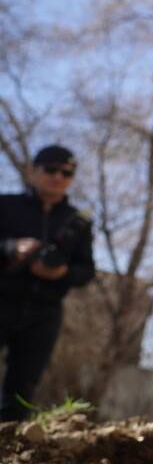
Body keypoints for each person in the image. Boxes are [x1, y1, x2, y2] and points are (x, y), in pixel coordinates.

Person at [0, 145, 95, 422]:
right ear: (32, 171)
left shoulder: (78, 221)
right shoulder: (6, 206)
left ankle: (7, 452)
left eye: (66, 172)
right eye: (50, 169)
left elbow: (87, 270)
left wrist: (62, 273)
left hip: (44, 311)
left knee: (22, 386)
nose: (58, 177)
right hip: (2, 298)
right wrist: (11, 247)